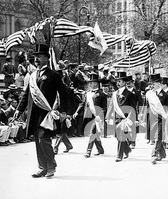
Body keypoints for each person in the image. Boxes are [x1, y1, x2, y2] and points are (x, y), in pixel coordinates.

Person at [14, 44, 69, 178]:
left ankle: (51, 167)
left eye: (40, 57)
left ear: (46, 58)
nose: (37, 59)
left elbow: (63, 94)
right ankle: (42, 167)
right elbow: (26, 95)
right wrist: (19, 110)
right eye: (35, 57)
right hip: (34, 114)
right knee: (38, 141)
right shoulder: (32, 75)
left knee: (44, 140)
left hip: (47, 114)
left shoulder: (53, 75)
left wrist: (63, 111)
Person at [74, 73, 107, 158]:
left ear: (96, 83)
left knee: (93, 132)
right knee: (94, 133)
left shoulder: (102, 94)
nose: (90, 84)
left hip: (98, 117)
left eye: (92, 82)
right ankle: (100, 149)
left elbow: (104, 107)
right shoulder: (87, 93)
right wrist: (76, 112)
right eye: (90, 82)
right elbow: (82, 104)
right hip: (89, 116)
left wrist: (100, 116)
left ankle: (88, 151)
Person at [106, 72, 136, 162]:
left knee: (121, 136)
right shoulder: (115, 94)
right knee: (117, 136)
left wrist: (132, 119)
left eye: (120, 81)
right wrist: (107, 117)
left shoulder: (129, 94)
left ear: (124, 82)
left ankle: (119, 155)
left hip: (125, 119)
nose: (118, 83)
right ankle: (127, 149)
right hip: (117, 118)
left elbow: (133, 107)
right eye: (117, 81)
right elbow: (111, 106)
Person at [145, 74, 168, 164]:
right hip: (152, 119)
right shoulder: (149, 94)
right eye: (151, 83)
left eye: (154, 83)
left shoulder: (166, 96)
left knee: (158, 137)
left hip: (162, 119)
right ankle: (162, 153)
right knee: (156, 137)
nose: (152, 85)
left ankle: (153, 155)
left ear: (159, 83)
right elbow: (147, 107)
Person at [126, 78, 143, 149]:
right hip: (125, 112)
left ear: (133, 83)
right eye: (127, 83)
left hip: (133, 111)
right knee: (125, 127)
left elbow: (140, 103)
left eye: (130, 83)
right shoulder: (123, 92)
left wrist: (140, 113)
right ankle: (128, 140)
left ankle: (133, 142)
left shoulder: (137, 92)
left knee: (133, 127)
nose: (128, 84)